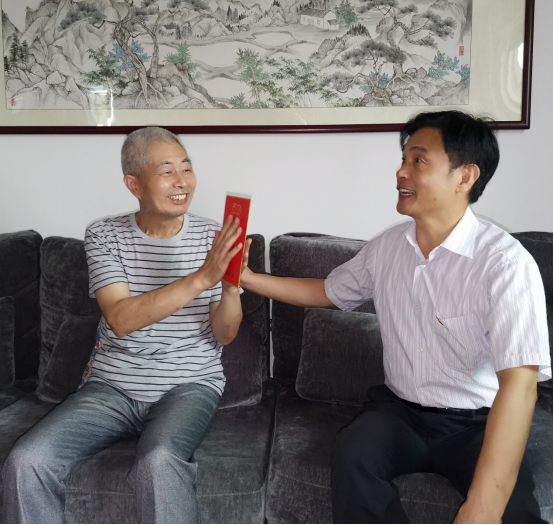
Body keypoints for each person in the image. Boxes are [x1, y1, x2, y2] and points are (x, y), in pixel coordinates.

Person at [240, 111, 551, 524]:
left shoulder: (504, 264)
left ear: (465, 176)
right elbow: (327, 292)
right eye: (403, 159)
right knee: (353, 454)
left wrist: (482, 508)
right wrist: (247, 278)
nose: (401, 172)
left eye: (418, 160)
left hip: (476, 423)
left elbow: (520, 386)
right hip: (399, 414)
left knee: (514, 512)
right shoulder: (387, 248)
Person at [2, 127, 245, 524]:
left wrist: (230, 285)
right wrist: (204, 277)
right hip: (112, 386)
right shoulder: (105, 235)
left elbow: (225, 334)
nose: (182, 181)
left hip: (188, 384)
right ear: (134, 184)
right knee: (27, 459)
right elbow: (121, 318)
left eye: (187, 168)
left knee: (159, 461)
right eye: (166, 171)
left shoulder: (211, 237)